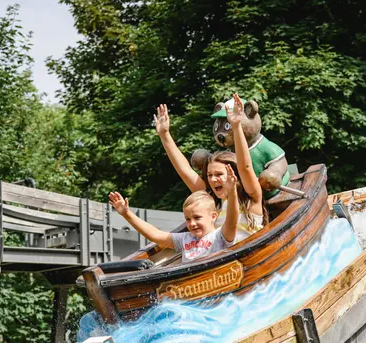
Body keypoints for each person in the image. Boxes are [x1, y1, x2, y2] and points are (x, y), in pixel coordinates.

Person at [154, 95, 266, 241]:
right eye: (209, 175)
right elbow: (185, 171)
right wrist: (164, 135)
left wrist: (236, 126)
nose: (213, 179)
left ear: (233, 173)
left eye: (218, 174)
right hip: (220, 256)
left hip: (247, 255)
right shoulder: (212, 201)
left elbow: (245, 166)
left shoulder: (251, 197)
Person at [108, 173, 239, 264]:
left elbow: (232, 221)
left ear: (213, 216)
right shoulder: (185, 239)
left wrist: (232, 191)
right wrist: (127, 214)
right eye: (188, 219)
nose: (192, 223)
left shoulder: (220, 236)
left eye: (197, 218)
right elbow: (155, 234)